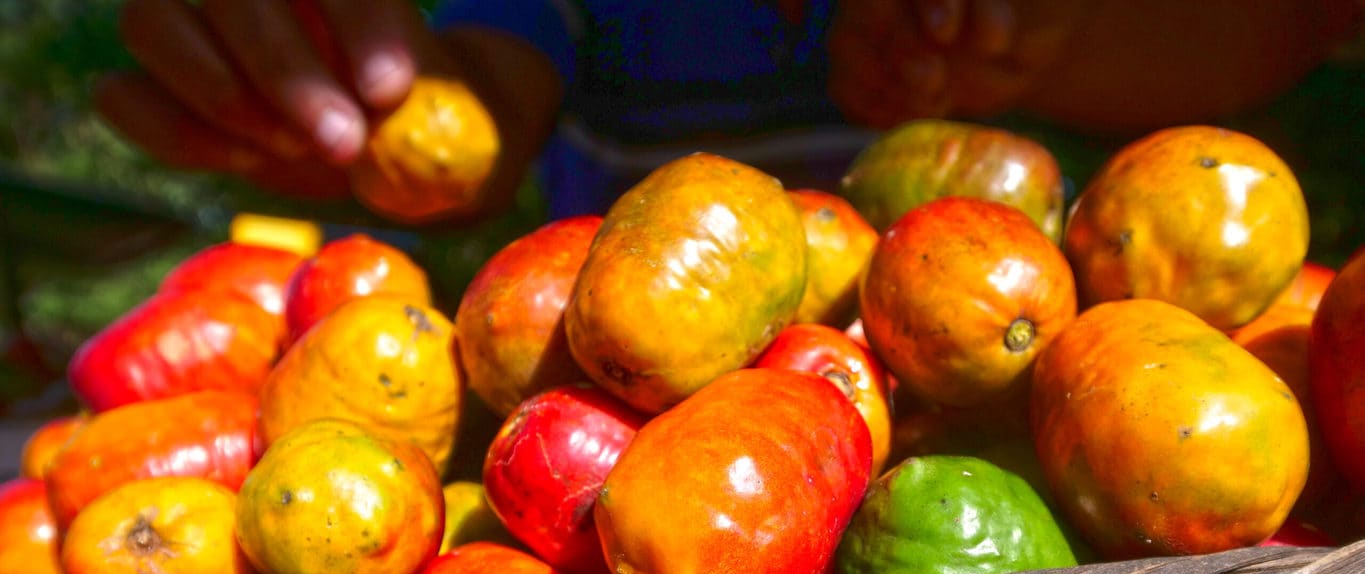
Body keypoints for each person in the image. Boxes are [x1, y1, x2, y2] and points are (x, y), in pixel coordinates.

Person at [95, 0, 1363, 223]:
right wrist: (347, 102)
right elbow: (477, 101)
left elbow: (1289, 32)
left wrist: (1044, 43)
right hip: (648, 459)